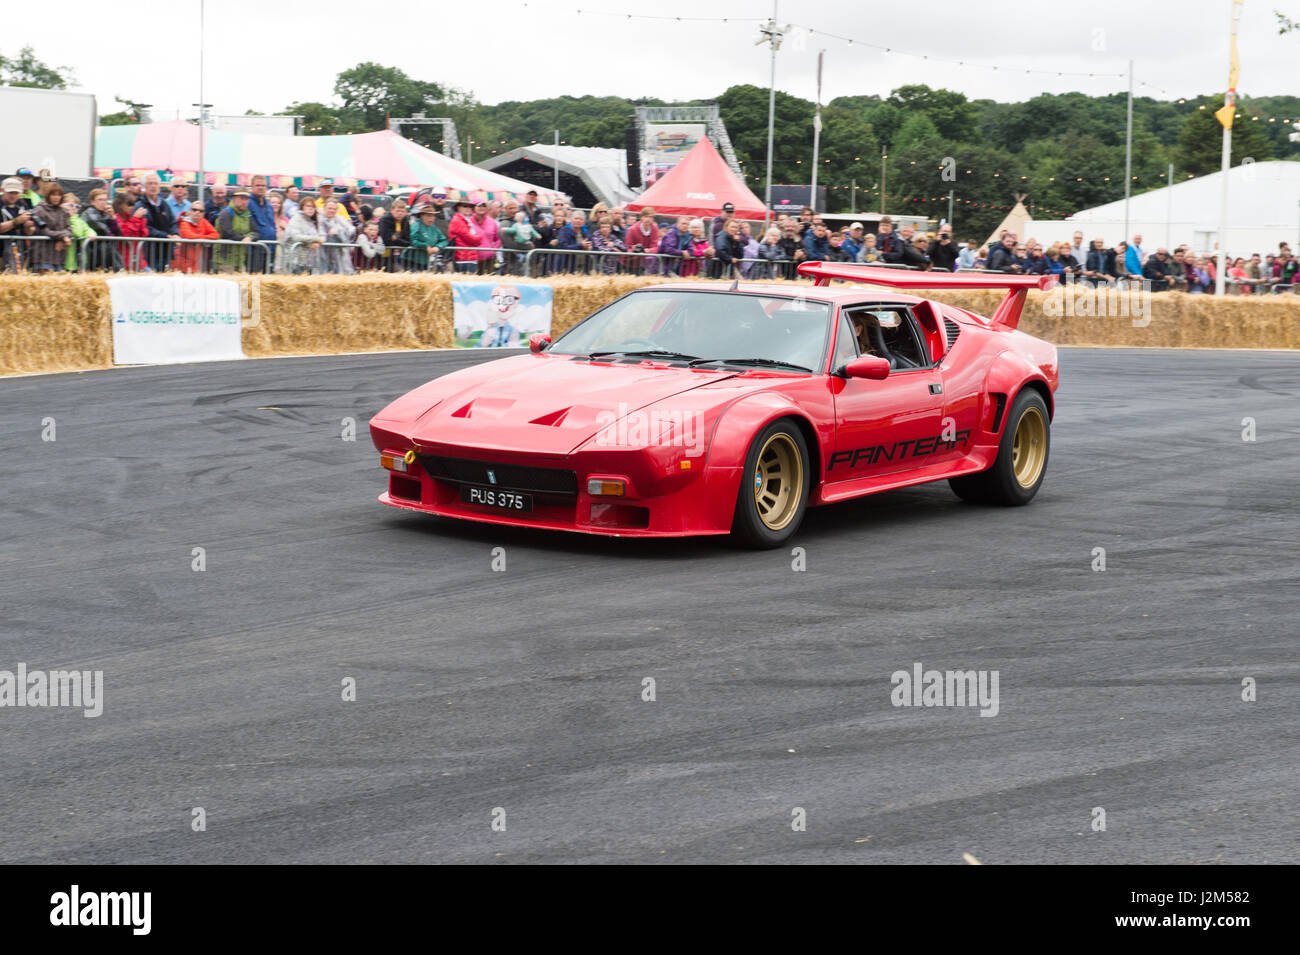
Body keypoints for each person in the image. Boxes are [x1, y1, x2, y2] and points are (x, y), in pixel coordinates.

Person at [134, 174, 179, 271]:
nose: (153, 186)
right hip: (149, 251)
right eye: (150, 183)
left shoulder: (164, 203)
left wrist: (175, 234)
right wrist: (166, 236)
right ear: (144, 186)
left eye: (155, 183)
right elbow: (146, 228)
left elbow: (172, 221)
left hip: (165, 250)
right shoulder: (140, 205)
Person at [30, 182, 72, 273]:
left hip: (59, 256)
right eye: (53, 195)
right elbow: (43, 230)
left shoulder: (63, 211)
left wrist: (62, 239)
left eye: (59, 195)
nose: (56, 197)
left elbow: (69, 229)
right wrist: (63, 236)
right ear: (48, 195)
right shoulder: (39, 210)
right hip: (42, 256)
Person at [80, 188, 123, 271]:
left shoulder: (106, 214)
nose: (103, 202)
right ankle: (119, 269)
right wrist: (112, 236)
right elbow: (102, 230)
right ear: (92, 202)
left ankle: (119, 269)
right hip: (92, 251)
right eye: (100, 199)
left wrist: (112, 217)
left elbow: (117, 233)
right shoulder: (89, 213)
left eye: (105, 200)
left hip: (103, 252)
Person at [215, 189, 256, 272]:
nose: (244, 202)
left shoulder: (248, 215)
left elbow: (256, 232)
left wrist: (250, 238)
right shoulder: (226, 213)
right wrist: (243, 238)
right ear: (234, 199)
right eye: (241, 198)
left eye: (246, 199)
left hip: (240, 258)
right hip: (225, 258)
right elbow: (226, 232)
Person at [0, 176, 36, 272]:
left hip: (17, 250)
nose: (13, 196)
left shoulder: (23, 204)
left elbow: (29, 232)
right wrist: (17, 221)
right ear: (2, 190)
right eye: (10, 192)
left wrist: (29, 226)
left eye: (16, 193)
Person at [282, 198, 325, 275]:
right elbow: (296, 236)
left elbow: (322, 236)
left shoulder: (313, 221)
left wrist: (318, 243)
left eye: (313, 206)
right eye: (308, 206)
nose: (311, 208)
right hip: (296, 260)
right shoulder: (296, 219)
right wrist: (315, 239)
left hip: (310, 261)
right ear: (302, 207)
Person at [174, 200, 218, 272]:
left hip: (194, 262)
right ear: (190, 211)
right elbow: (189, 235)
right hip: (180, 261)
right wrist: (204, 238)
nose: (197, 212)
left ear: (203, 213)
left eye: (201, 211)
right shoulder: (184, 221)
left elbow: (215, 234)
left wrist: (202, 238)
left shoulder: (203, 221)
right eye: (194, 210)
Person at [247, 175, 277, 273]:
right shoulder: (248, 203)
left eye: (263, 185)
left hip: (270, 248)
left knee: (267, 281)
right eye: (258, 185)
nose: (261, 188)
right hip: (255, 249)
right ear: (252, 187)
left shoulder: (268, 205)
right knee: (254, 281)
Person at [114, 192, 150, 270]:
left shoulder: (131, 218)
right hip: (125, 261)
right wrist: (136, 218)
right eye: (129, 204)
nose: (132, 207)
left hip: (139, 261)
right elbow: (125, 234)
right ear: (120, 205)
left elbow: (144, 234)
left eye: (133, 204)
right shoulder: (116, 218)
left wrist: (141, 220)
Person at [408, 202, 449, 271]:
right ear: (422, 216)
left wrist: (438, 247)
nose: (431, 218)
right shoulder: (416, 226)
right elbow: (412, 240)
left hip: (425, 261)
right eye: (428, 216)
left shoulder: (434, 228)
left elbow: (444, 240)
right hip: (410, 260)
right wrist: (425, 246)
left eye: (433, 216)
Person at [60, 193, 95, 271]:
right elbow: (77, 233)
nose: (74, 208)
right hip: (65, 261)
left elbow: (88, 229)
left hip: (75, 262)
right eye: (71, 205)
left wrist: (91, 234)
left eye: (77, 206)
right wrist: (72, 217)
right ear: (62, 205)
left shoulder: (79, 220)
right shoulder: (65, 219)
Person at [446, 200, 483, 273]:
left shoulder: (468, 220)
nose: (468, 208)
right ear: (458, 207)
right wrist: (479, 238)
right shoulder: (457, 220)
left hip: (468, 258)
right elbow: (469, 237)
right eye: (465, 206)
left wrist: (476, 239)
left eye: (470, 206)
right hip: (462, 259)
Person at [320, 199, 356, 274]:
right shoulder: (319, 219)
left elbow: (351, 230)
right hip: (324, 253)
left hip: (340, 255)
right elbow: (321, 234)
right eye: (330, 208)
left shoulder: (340, 218)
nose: (332, 211)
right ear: (324, 208)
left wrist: (340, 231)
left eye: (334, 209)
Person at [501, 211, 539, 275]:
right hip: (527, 244)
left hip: (519, 244)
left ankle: (521, 255)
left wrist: (505, 229)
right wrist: (537, 236)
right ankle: (524, 255)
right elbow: (533, 233)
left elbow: (512, 230)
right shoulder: (528, 226)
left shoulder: (516, 225)